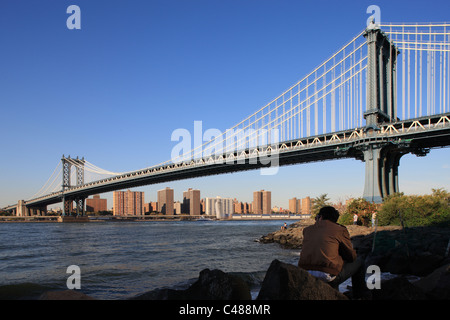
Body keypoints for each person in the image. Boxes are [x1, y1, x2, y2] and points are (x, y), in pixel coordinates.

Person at [298, 206, 367, 299]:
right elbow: (351, 256)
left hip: (305, 273)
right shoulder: (340, 229)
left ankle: (334, 295)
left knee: (333, 263)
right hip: (327, 276)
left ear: (320, 217)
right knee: (359, 262)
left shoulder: (307, 230)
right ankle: (360, 297)